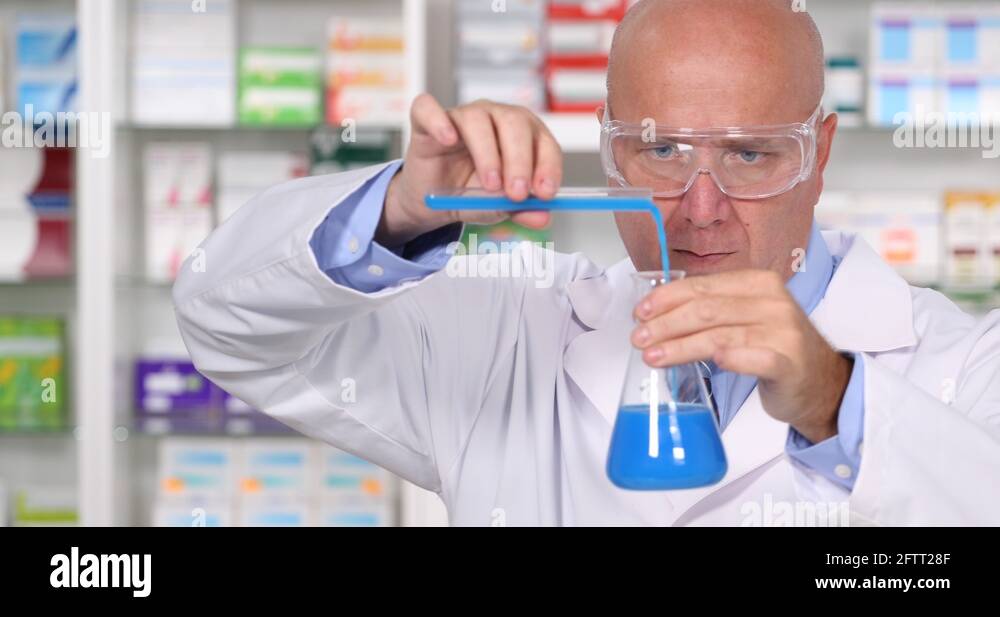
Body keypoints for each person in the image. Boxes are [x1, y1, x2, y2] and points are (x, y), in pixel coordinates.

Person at [173, 0, 1000, 525]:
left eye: (751, 154)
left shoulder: (963, 364)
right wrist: (400, 209)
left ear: (819, 151)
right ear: (606, 150)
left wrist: (837, 399)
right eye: (661, 150)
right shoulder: (506, 334)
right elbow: (226, 320)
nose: (700, 208)